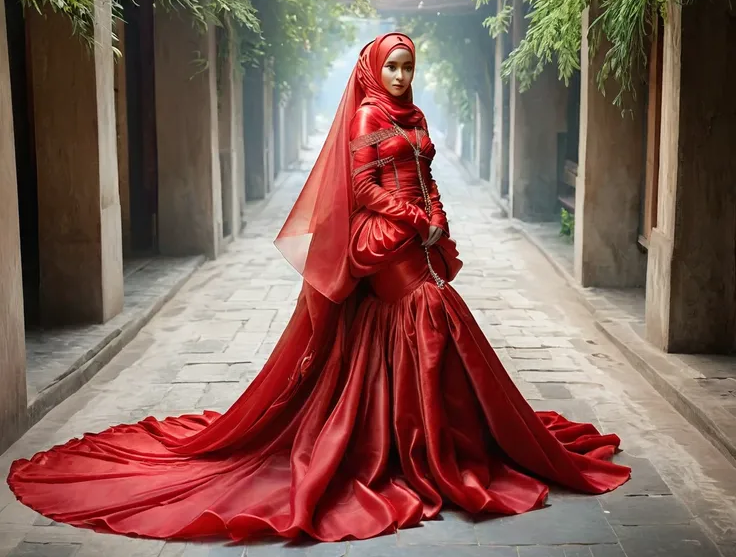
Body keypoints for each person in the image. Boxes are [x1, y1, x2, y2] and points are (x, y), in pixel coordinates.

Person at [7, 33, 630, 543]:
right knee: (428, 311)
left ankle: (432, 433)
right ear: (372, 67)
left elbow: (425, 174)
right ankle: (425, 448)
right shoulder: (366, 115)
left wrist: (439, 219)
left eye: (408, 66)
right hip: (383, 240)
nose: (399, 75)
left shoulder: (414, 117)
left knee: (428, 320)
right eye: (391, 65)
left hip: (419, 237)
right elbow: (362, 192)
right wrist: (415, 221)